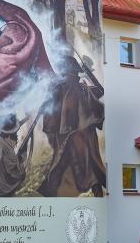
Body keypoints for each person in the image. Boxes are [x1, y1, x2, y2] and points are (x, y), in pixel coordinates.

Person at [38, 57, 105, 197]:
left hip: (75, 133)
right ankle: (52, 190)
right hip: (83, 133)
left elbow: (47, 109)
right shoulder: (79, 88)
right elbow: (100, 90)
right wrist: (89, 73)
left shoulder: (61, 88)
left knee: (69, 162)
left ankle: (51, 190)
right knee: (81, 163)